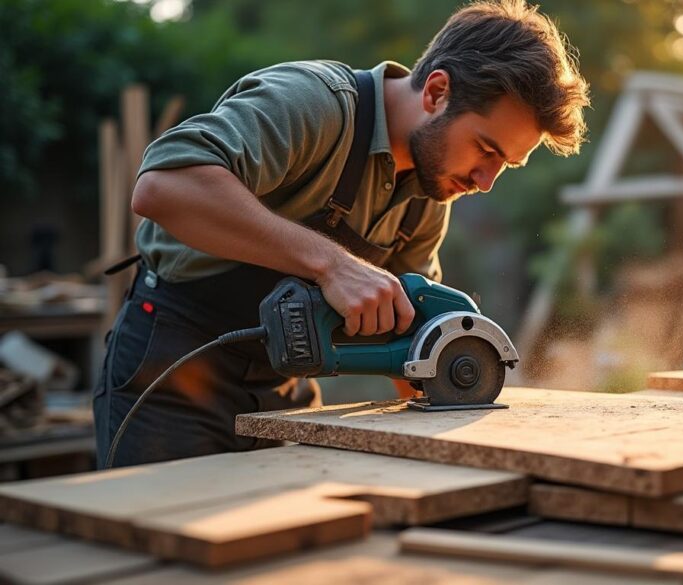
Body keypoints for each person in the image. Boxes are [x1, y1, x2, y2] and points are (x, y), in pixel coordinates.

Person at [93, 0, 590, 467]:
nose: (485, 182)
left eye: (506, 164)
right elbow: (164, 186)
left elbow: (415, 341)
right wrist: (332, 263)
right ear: (437, 92)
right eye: (486, 150)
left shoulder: (428, 194)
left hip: (284, 387)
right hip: (173, 367)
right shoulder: (315, 104)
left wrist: (449, 412)